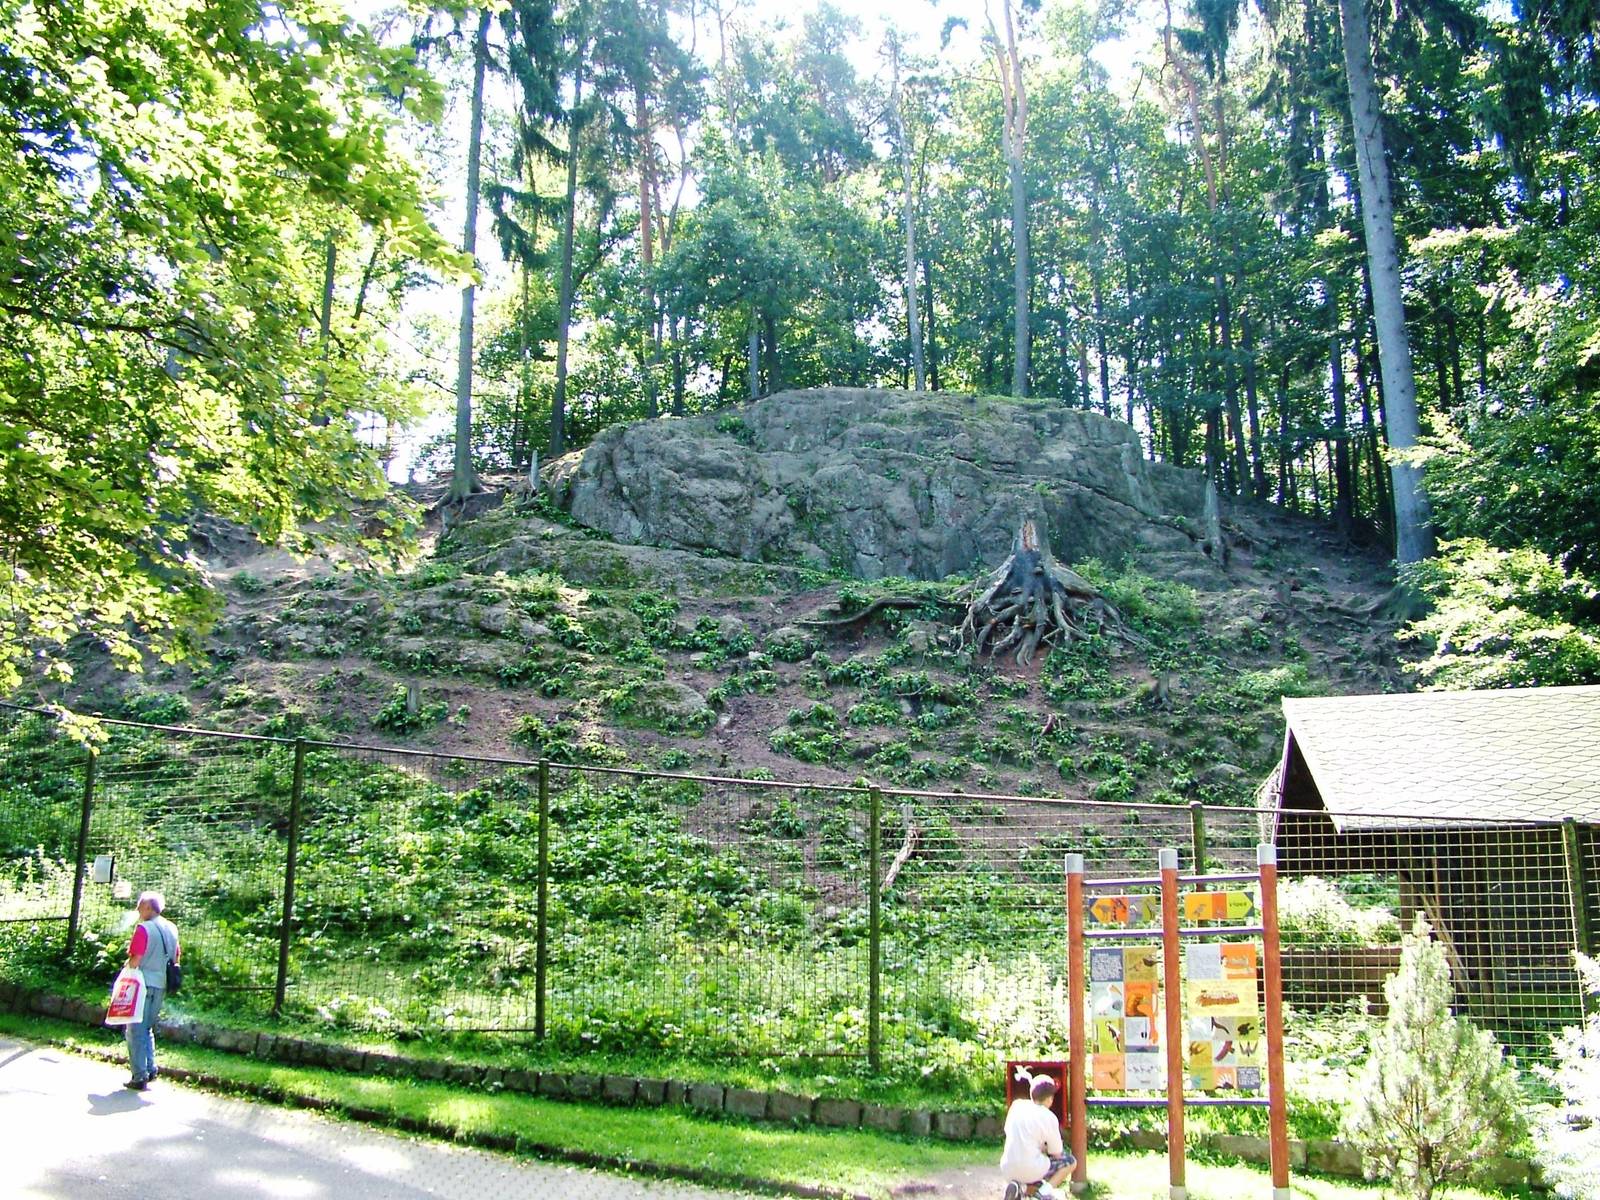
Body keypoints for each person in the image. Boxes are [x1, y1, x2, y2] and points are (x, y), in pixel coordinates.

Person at [123, 890, 179, 1091]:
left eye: (140, 906)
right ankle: (150, 1068)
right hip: (161, 984)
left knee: (134, 1029)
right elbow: (176, 956)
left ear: (148, 907)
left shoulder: (143, 929)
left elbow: (136, 959)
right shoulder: (171, 928)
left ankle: (139, 1076)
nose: (138, 910)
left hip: (142, 984)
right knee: (147, 1027)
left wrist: (125, 972)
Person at [1000, 1074, 1076, 1199]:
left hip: (1007, 1168)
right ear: (1050, 1098)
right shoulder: (1049, 1117)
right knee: (1070, 1162)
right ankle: (1042, 1193)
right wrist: (1045, 1148)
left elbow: (1008, 1131)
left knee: (1034, 1168)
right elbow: (1057, 1153)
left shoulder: (1016, 1106)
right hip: (1031, 1168)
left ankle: (1020, 1188)